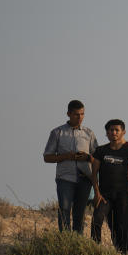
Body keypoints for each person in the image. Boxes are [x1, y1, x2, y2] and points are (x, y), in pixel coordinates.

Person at [43, 99, 98, 232]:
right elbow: (47, 157)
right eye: (76, 114)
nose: (80, 117)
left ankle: (77, 241)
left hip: (85, 178)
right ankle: (65, 240)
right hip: (65, 178)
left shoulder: (89, 133)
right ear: (68, 114)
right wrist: (66, 156)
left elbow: (97, 159)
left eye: (82, 114)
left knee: (80, 213)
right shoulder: (57, 132)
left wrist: (87, 157)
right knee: (65, 209)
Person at [91, 119, 128, 254]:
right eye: (110, 130)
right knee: (97, 219)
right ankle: (94, 251)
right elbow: (94, 173)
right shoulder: (101, 150)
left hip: (122, 196)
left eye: (117, 130)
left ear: (123, 132)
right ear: (107, 133)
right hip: (104, 196)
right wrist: (97, 193)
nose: (113, 132)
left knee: (123, 227)